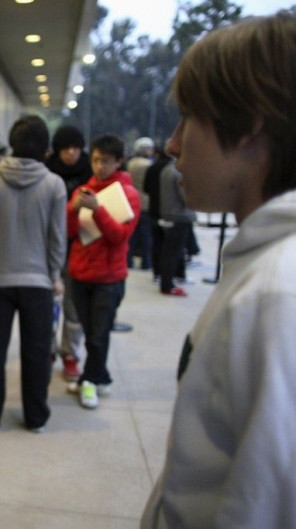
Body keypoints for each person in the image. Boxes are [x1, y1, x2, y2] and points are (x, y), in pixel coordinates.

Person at [142, 12, 296, 528]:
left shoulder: (277, 296)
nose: (173, 144)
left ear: (250, 123)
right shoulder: (265, 272)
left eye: (189, 118)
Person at [0, 115, 67, 433]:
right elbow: (57, 238)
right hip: (38, 282)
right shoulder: (54, 184)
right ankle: (36, 417)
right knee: (37, 353)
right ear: (46, 148)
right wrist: (55, 274)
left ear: (10, 143)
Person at [66, 134, 140, 409]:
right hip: (79, 272)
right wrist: (73, 209)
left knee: (98, 335)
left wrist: (97, 211)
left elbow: (120, 236)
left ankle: (90, 381)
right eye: (96, 160)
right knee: (90, 332)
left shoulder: (127, 195)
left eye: (106, 161)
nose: (99, 167)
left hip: (109, 277)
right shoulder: (83, 191)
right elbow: (69, 232)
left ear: (119, 162)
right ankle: (102, 375)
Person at [45, 125, 93, 381]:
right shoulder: (46, 170)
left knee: (73, 306)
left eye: (75, 148)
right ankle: (49, 349)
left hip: (80, 245)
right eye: (65, 148)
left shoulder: (89, 171)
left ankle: (70, 354)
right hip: (49, 247)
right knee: (50, 301)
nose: (71, 153)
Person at [157, 160, 196, 296]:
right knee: (174, 252)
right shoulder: (179, 172)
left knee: (168, 251)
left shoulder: (167, 169)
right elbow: (185, 197)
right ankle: (168, 284)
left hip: (168, 213)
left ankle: (167, 281)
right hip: (180, 215)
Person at [143, 145, 170, 282]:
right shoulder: (171, 169)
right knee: (169, 245)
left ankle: (156, 272)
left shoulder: (152, 168)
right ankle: (168, 274)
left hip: (153, 208)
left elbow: (146, 188)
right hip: (169, 212)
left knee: (155, 242)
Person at [126, 137, 154, 270]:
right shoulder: (148, 165)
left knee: (132, 234)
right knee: (145, 236)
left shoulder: (130, 163)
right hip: (145, 202)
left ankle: (128, 260)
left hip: (131, 200)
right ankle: (146, 262)